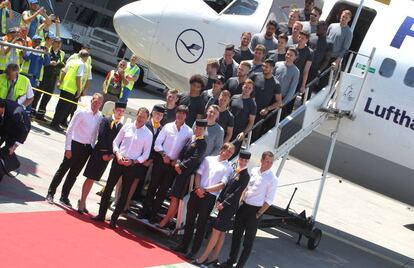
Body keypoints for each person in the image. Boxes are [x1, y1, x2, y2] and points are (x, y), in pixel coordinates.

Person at [92, 107, 153, 229]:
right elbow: (115, 142)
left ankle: (114, 219)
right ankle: (101, 214)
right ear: (137, 115)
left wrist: (134, 161)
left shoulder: (148, 134)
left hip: (132, 165)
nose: (140, 119)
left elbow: (146, 154)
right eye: (139, 116)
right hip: (118, 161)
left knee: (124, 193)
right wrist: (118, 155)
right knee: (109, 187)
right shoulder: (127, 126)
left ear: (147, 119)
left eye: (143, 117)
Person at [171, 143, 234, 260]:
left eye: (231, 153)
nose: (229, 154)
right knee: (189, 221)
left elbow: (221, 185)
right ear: (222, 150)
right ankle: (183, 246)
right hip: (197, 192)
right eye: (228, 151)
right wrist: (198, 188)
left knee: (201, 225)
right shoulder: (208, 159)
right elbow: (198, 174)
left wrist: (204, 190)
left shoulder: (229, 168)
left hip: (209, 197)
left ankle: (193, 251)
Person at [220, 151, 278, 268]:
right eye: (267, 161)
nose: (269, 164)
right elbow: (246, 188)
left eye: (271, 162)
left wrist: (259, 213)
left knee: (248, 242)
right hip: (244, 207)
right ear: (261, 160)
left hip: (255, 211)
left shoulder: (272, 179)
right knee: (236, 236)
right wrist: (241, 201)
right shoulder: (254, 171)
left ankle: (240, 266)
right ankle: (230, 262)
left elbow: (269, 200)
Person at [194, 150, 251, 266]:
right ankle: (213, 258)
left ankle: (204, 258)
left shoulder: (245, 176)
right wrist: (219, 199)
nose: (243, 162)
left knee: (216, 231)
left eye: (246, 161)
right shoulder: (236, 171)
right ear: (239, 159)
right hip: (223, 204)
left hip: (229, 207)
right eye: (242, 159)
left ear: (248, 161)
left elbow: (236, 193)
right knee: (221, 232)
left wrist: (223, 203)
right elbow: (225, 187)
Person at [46, 93, 103, 206]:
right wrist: (68, 148)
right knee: (63, 170)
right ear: (91, 100)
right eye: (95, 101)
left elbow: (95, 134)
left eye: (99, 103)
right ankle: (50, 193)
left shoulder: (100, 116)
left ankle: (64, 196)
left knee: (74, 175)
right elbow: (70, 129)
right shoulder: (81, 112)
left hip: (86, 149)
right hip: (74, 145)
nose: (97, 104)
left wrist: (91, 147)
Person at [139, 105, 193, 222]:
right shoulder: (168, 127)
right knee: (152, 186)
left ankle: (153, 215)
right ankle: (144, 211)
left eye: (183, 114)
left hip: (173, 166)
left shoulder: (189, 132)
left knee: (163, 191)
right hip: (161, 161)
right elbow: (157, 143)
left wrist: (177, 160)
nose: (180, 115)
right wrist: (164, 155)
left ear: (186, 116)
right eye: (178, 113)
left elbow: (187, 150)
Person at [77, 102, 126, 214]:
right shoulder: (106, 120)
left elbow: (118, 142)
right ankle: (82, 202)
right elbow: (101, 136)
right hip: (99, 154)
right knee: (90, 177)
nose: (120, 113)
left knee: (94, 179)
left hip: (108, 157)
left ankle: (83, 201)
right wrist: (105, 153)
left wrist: (112, 155)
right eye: (118, 110)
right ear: (114, 110)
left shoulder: (121, 126)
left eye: (122, 111)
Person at [157, 119, 207, 228]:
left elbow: (195, 158)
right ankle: (168, 219)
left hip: (186, 175)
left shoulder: (202, 143)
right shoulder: (192, 139)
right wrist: (178, 162)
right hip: (179, 171)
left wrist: (181, 166)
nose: (198, 130)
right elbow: (182, 152)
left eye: (201, 129)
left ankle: (165, 221)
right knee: (174, 196)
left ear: (204, 130)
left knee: (176, 197)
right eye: (197, 128)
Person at [126, 104, 165, 208]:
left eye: (161, 115)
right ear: (152, 113)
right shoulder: (145, 124)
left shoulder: (162, 129)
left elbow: (157, 146)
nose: (158, 116)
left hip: (148, 160)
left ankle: (129, 201)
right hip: (137, 157)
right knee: (128, 180)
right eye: (157, 114)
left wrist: (151, 159)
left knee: (138, 181)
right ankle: (120, 200)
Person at [50, 49, 90, 132]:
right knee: (64, 108)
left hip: (64, 87)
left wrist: (60, 82)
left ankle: (54, 122)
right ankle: (55, 124)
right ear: (85, 57)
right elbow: (78, 77)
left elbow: (63, 72)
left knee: (60, 106)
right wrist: (79, 90)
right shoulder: (82, 64)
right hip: (71, 89)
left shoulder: (72, 61)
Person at [32, 36, 65, 121]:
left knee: (47, 96)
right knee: (38, 94)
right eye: (56, 42)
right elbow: (41, 61)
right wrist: (50, 63)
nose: (58, 45)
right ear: (52, 43)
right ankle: (32, 111)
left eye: (59, 43)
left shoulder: (61, 53)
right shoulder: (47, 50)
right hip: (44, 76)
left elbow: (60, 69)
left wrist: (58, 79)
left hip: (53, 77)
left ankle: (40, 114)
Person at [251, 59, 282, 139]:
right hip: (248, 109)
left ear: (272, 69)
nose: (264, 68)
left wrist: (267, 109)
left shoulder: (276, 84)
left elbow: (279, 102)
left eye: (266, 67)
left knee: (254, 135)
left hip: (260, 114)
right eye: (263, 66)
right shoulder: (255, 76)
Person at [229, 79, 256, 155]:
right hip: (227, 129)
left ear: (252, 90)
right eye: (246, 87)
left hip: (238, 132)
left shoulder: (252, 104)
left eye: (249, 88)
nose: (247, 89)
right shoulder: (234, 97)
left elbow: (251, 122)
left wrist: (244, 133)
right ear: (242, 87)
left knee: (231, 153)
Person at [308, 21, 332, 97]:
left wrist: (319, 70)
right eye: (316, 28)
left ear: (325, 30)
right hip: (304, 66)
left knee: (308, 92)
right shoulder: (311, 36)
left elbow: (326, 60)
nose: (316, 30)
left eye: (318, 28)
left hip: (314, 69)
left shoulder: (329, 43)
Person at [295, 30, 313, 95]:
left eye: (302, 38)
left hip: (297, 80)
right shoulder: (291, 47)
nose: (300, 39)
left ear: (307, 40)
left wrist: (303, 85)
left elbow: (306, 70)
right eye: (299, 37)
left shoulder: (309, 52)